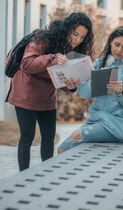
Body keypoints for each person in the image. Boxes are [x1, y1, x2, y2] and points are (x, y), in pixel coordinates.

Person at [7, 12, 94, 171]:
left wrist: (71, 86)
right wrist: (52, 58)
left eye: (82, 37)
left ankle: (47, 175)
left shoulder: (70, 50)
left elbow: (58, 78)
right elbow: (26, 64)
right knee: (27, 137)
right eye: (75, 34)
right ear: (67, 29)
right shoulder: (43, 39)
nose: (77, 40)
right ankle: (23, 177)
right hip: (26, 93)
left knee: (48, 138)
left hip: (47, 97)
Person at [58, 25, 123, 154]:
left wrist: (122, 92)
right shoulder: (99, 63)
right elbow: (84, 94)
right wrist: (94, 82)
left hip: (120, 126)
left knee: (76, 135)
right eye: (116, 44)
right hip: (97, 120)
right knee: (61, 149)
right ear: (110, 42)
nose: (119, 50)